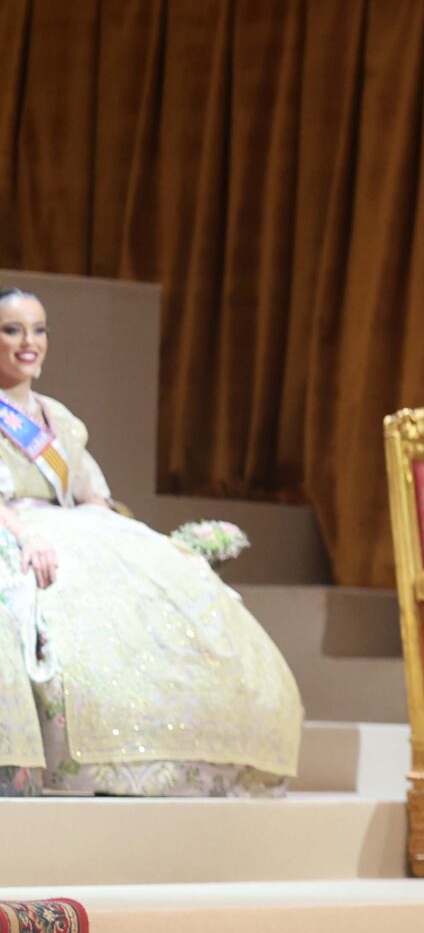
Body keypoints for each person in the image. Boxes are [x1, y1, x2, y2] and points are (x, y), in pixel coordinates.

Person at [0, 288, 301, 798]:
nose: (28, 342)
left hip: (70, 526)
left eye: (38, 329)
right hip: (15, 529)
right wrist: (29, 536)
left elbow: (89, 492)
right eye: (12, 330)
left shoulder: (61, 419)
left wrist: (120, 537)